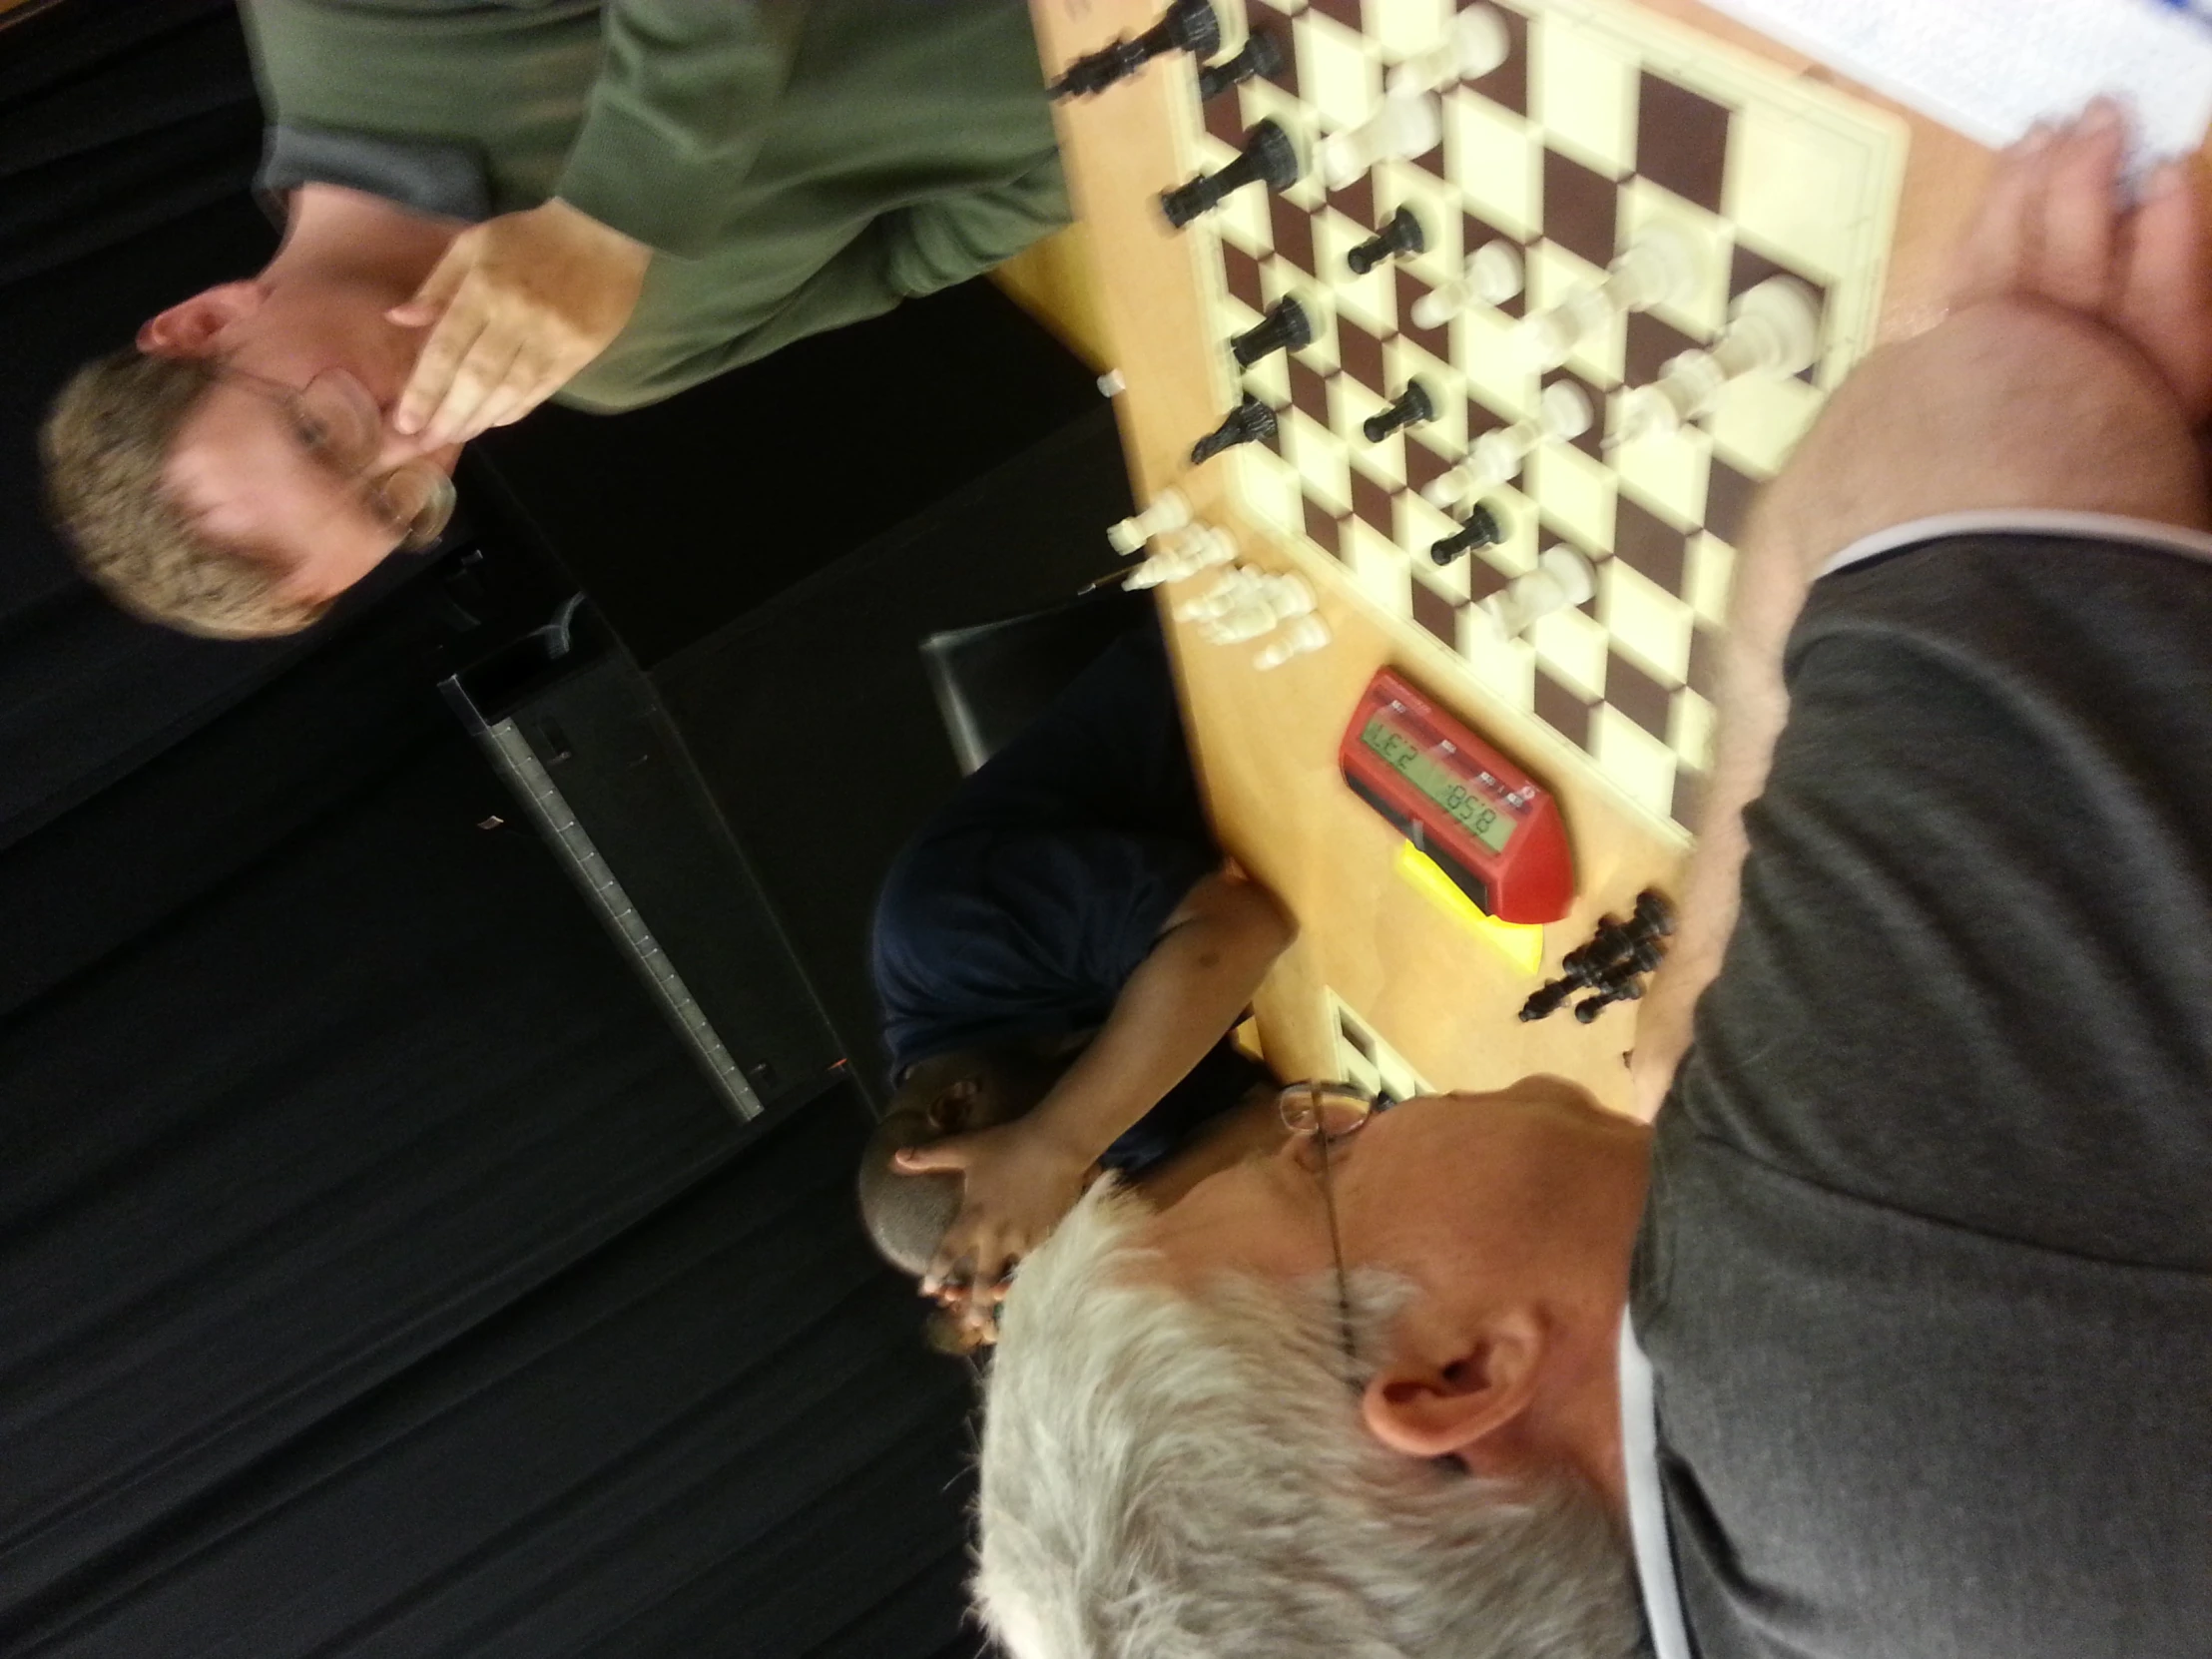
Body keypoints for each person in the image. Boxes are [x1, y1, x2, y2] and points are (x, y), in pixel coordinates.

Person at [972, 102, 2212, 1658]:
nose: (1356, 1110)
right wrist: (1702, 987)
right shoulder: (1834, 1360)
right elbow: (2015, 413)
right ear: (1460, 1377)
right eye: (1317, 1164)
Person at [40, 0, 1065, 639]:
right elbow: (913, 248)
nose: (420, 438)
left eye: (316, 431)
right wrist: (1140, 106)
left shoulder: (349, 18)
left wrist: (614, 215)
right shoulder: (611, 369)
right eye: (396, 506)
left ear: (206, 322)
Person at [857, 622, 1295, 1343]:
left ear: (958, 1106)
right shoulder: (1053, 1132)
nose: (1097, 1164)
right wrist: (1108, 1238)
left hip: (1253, 659)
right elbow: (1285, 1117)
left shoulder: (943, 937)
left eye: (1077, 1179)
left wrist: (1054, 1146)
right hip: (1308, 823)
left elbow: (1242, 929)